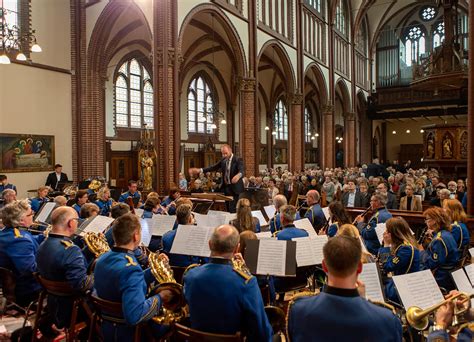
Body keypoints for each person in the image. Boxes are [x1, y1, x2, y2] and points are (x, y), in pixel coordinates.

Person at [287, 236, 402, 342]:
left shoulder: (298, 310)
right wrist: (364, 302)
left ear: (324, 266)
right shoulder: (388, 320)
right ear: (360, 268)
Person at [183, 224, 273, 341]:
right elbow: (262, 333)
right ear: (237, 248)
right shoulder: (246, 282)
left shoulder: (191, 275)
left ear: (210, 245)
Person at [94, 213, 173, 340]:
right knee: (175, 323)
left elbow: (125, 280)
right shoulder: (131, 268)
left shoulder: (102, 258)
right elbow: (135, 315)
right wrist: (161, 297)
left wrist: (155, 269)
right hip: (129, 333)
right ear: (136, 236)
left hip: (106, 327)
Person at [36, 206, 93, 329]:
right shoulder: (70, 249)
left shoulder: (43, 244)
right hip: (72, 309)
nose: (77, 223)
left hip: (53, 305)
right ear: (71, 223)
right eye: (77, 220)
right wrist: (98, 276)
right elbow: (81, 285)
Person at [0, 200, 43, 306]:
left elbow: (30, 239)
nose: (33, 215)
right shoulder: (19, 240)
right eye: (30, 214)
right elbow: (30, 271)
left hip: (15, 286)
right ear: (20, 221)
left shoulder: (7, 232)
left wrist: (45, 236)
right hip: (28, 291)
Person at [189, 144, 245, 213]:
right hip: (226, 187)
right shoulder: (223, 160)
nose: (224, 155)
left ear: (230, 150)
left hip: (235, 188)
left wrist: (238, 175)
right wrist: (200, 170)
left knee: (233, 209)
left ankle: (233, 223)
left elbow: (242, 170)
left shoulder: (237, 159)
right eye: (222, 154)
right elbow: (213, 167)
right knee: (227, 209)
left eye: (225, 153)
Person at [378, 217, 420, 303]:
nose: (385, 232)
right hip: (400, 281)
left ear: (393, 233)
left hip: (403, 288)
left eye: (387, 230)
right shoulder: (402, 245)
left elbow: (387, 266)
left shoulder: (405, 249)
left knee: (375, 289)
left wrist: (386, 245)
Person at [421, 207, 458, 291]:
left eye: (427, 219)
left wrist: (422, 252)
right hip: (448, 274)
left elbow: (432, 264)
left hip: (441, 277)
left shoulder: (439, 240)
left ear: (434, 220)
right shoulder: (446, 234)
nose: (425, 222)